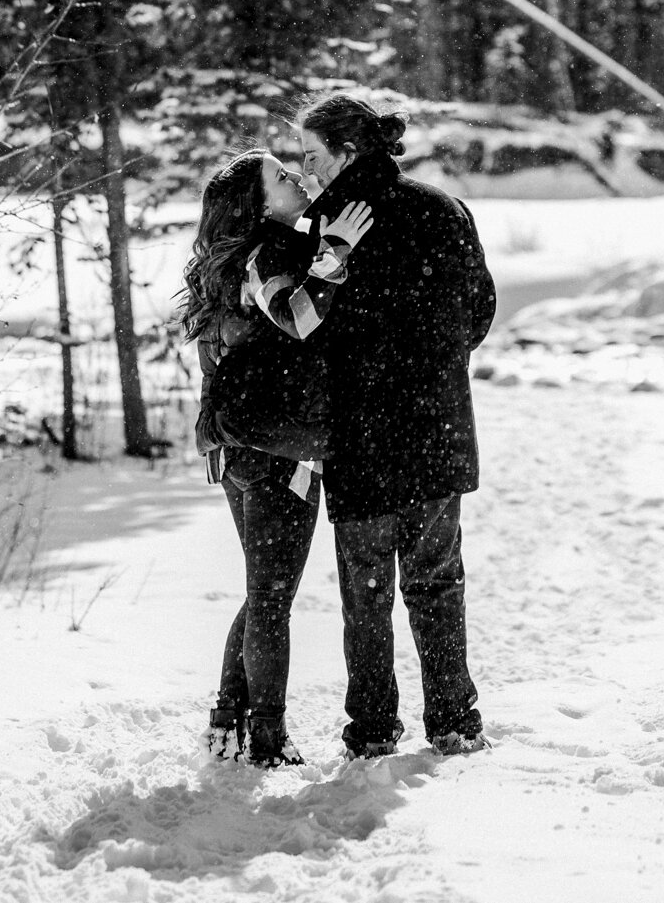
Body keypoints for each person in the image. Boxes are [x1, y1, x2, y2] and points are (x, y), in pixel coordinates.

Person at [297, 93, 497, 759]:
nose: (306, 168)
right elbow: (480, 311)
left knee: (367, 590)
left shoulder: (327, 225)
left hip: (361, 434)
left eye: (314, 155)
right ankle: (455, 719)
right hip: (437, 426)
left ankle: (375, 726)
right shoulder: (442, 207)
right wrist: (437, 366)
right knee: (437, 580)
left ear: (348, 153)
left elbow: (307, 331)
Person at [180, 150, 373, 767]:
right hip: (274, 450)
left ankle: (228, 724)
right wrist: (337, 256)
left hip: (246, 446)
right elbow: (295, 317)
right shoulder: (268, 253)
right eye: (281, 178)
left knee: (264, 591)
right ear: (258, 204)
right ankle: (266, 738)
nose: (296, 179)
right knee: (270, 596)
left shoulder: (241, 257)